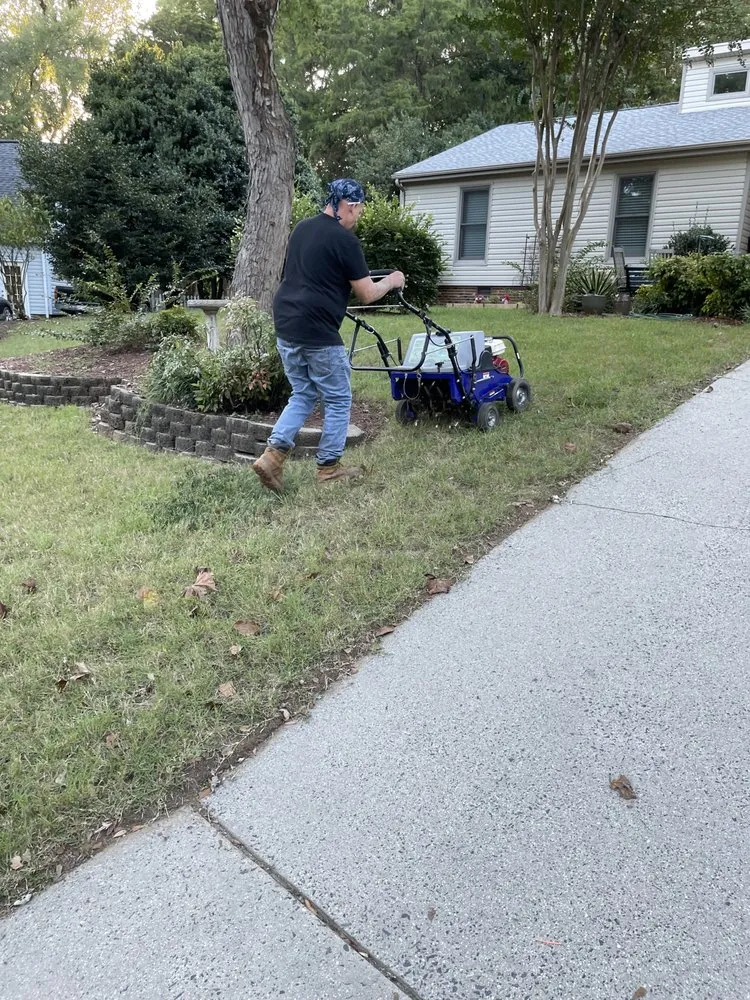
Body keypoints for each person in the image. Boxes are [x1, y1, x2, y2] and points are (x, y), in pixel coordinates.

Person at [252, 179, 405, 492]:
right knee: (337, 398)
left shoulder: (302, 229)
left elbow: (313, 273)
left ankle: (272, 457)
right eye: (358, 212)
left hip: (285, 322)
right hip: (316, 328)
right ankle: (328, 468)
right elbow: (367, 293)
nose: (357, 218)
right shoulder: (345, 240)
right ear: (348, 206)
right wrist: (392, 280)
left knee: (304, 393)